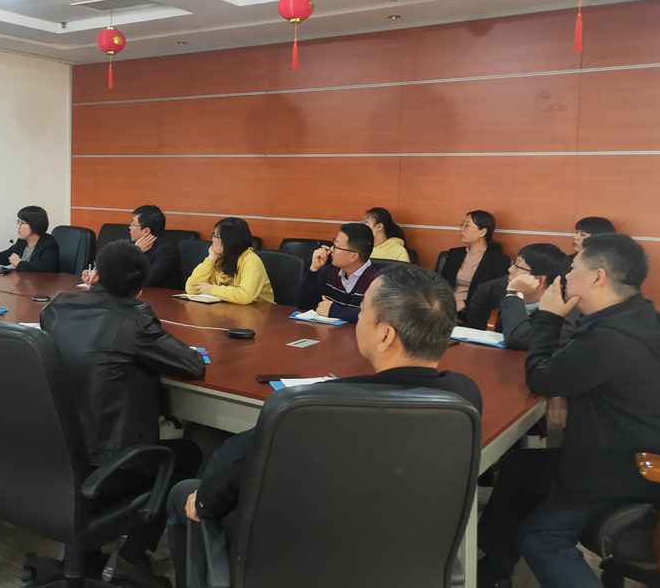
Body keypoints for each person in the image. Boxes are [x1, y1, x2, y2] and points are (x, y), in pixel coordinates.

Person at [167, 265, 482, 588]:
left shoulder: (309, 407)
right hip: (405, 561)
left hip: (297, 559)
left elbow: (234, 466)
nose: (358, 319)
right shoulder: (464, 398)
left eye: (362, 311)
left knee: (185, 493)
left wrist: (204, 501)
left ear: (385, 335)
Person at [477, 234, 660, 588]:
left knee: (540, 539)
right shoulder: (638, 315)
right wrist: (560, 386)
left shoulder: (612, 336)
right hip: (635, 449)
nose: (565, 276)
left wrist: (548, 317)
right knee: (521, 468)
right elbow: (570, 370)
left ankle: (500, 562)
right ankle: (493, 570)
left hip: (625, 466)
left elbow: (542, 378)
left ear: (597, 277)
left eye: (573, 268)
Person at [40, 240, 206, 587]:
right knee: (189, 452)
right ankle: (134, 553)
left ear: (96, 275)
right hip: (107, 464)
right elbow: (191, 365)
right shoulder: (135, 320)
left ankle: (85, 552)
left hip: (54, 455)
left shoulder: (57, 309)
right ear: (140, 288)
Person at [465, 243, 572, 348]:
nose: (510, 269)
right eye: (514, 264)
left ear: (539, 279)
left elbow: (519, 340)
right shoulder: (492, 289)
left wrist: (513, 294)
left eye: (518, 267)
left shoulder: (563, 311)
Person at [295, 223, 387, 323]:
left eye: (336, 246)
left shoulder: (379, 280)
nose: (331, 250)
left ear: (353, 256)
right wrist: (314, 270)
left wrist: (335, 311)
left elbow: (380, 317)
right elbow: (303, 304)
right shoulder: (329, 271)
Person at [82, 205, 182, 290]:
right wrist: (98, 276)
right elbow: (114, 265)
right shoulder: (131, 242)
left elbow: (146, 281)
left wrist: (134, 252)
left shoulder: (167, 251)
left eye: (133, 224)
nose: (129, 227)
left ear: (146, 231)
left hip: (160, 300)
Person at [438, 210, 511, 319]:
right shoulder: (454, 254)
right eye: (462, 225)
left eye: (467, 226)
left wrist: (465, 303)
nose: (462, 229)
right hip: (445, 306)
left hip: (474, 311)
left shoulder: (498, 260)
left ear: (483, 232)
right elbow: (441, 284)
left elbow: (494, 295)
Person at [185, 217, 274, 305]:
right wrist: (210, 259)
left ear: (229, 241)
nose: (212, 239)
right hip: (228, 308)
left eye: (216, 236)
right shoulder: (218, 258)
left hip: (259, 310)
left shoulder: (251, 260)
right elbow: (191, 288)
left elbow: (245, 296)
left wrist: (211, 289)